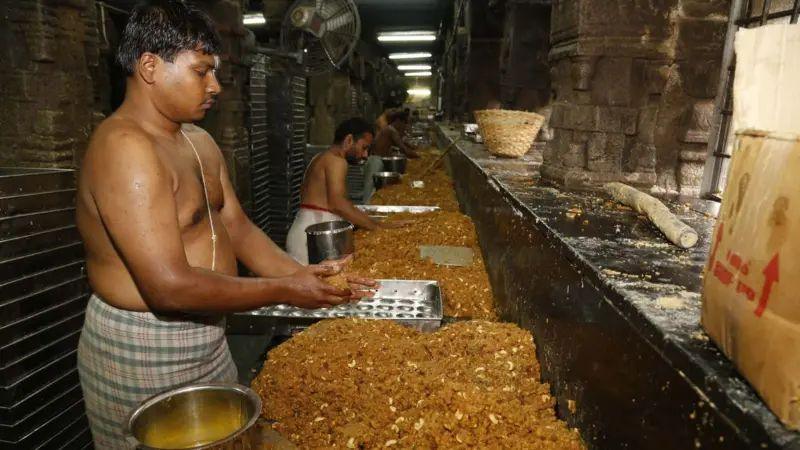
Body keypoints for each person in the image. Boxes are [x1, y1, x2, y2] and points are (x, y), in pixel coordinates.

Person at [74, 2, 371, 447]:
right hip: (147, 344)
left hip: (209, 335)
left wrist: (308, 276)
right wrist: (288, 291)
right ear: (150, 67)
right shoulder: (125, 150)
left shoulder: (198, 141)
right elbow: (168, 287)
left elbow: (238, 228)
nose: (215, 85)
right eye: (201, 71)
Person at [287, 118, 404, 264]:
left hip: (308, 233)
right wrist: (377, 227)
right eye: (364, 147)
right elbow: (338, 204)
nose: (365, 155)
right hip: (312, 240)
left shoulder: (321, 157)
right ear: (349, 140)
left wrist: (376, 223)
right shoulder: (336, 161)